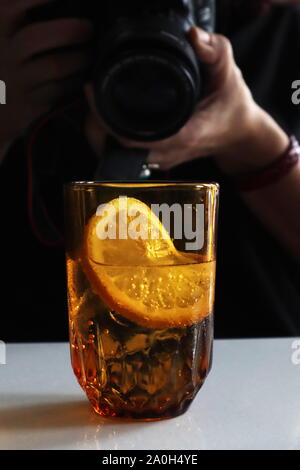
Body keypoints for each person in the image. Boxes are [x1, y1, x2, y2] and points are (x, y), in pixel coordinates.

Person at [0, 0, 299, 341]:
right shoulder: (21, 38)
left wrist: (254, 141)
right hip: (26, 367)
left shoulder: (283, 39)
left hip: (265, 363)